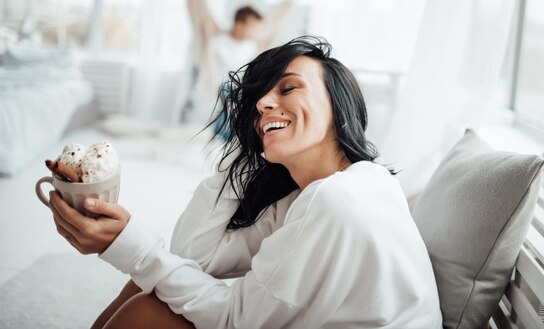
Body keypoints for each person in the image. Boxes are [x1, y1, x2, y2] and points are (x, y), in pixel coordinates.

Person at [48, 36, 443, 329]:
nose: (263, 104)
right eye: (257, 101)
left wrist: (123, 244)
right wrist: (249, 152)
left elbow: (235, 320)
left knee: (149, 310)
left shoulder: (340, 200)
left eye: (288, 88)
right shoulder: (308, 197)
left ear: (338, 105)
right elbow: (197, 259)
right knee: (147, 287)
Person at [182, 0, 321, 124]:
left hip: (244, 88)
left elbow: (276, 20)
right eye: (251, 27)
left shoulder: (254, 45)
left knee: (253, 98)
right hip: (219, 86)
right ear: (239, 24)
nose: (254, 32)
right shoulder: (217, 38)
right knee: (230, 103)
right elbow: (202, 18)